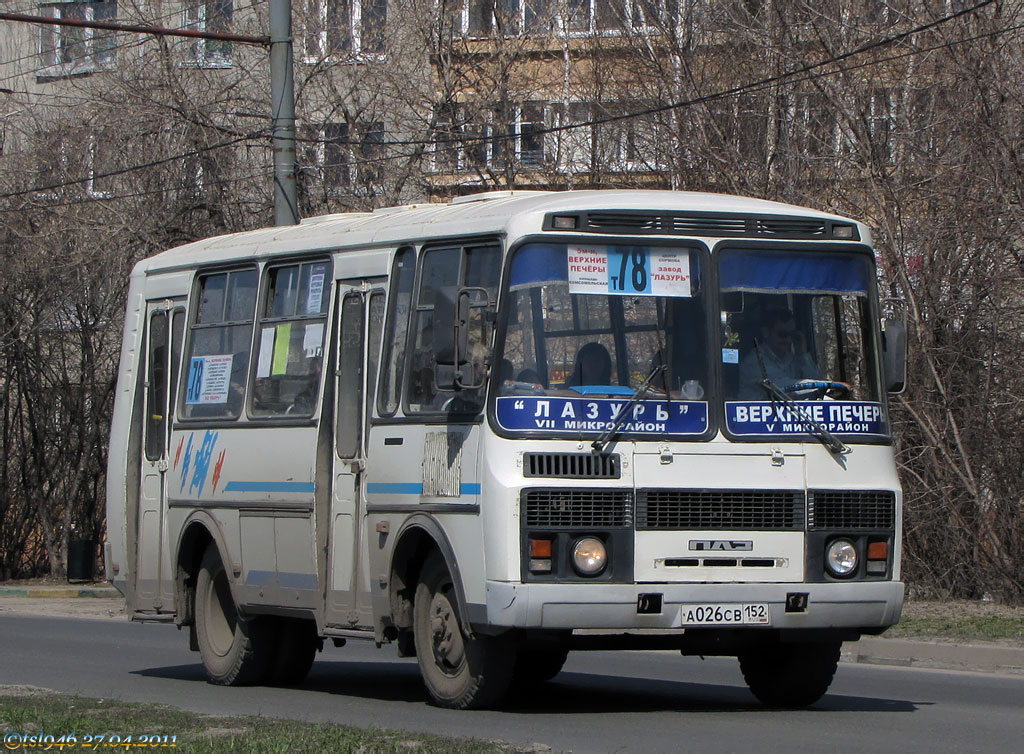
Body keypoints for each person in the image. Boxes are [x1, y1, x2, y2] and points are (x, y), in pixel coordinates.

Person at [738, 308, 820, 399]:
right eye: (783, 334)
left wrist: (803, 354)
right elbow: (783, 387)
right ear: (766, 332)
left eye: (792, 335)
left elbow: (818, 386)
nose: (789, 340)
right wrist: (823, 385)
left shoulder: (793, 360)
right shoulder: (754, 362)